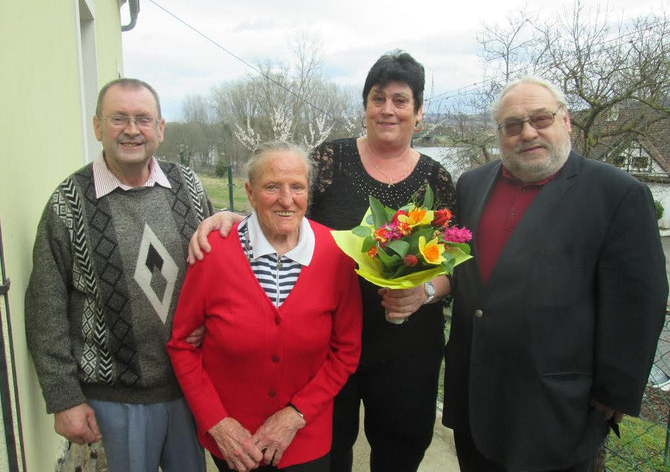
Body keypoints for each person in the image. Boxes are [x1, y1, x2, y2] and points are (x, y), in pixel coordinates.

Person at [188, 50, 456, 472]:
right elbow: (287, 208)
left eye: (401, 100)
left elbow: (452, 265)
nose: (388, 109)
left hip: (407, 347)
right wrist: (236, 218)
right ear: (365, 106)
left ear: (419, 112)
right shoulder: (331, 159)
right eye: (377, 97)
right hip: (324, 346)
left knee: (401, 452)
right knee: (331, 454)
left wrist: (423, 292)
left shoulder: (437, 178)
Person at [442, 75, 668, 472]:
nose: (527, 133)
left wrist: (615, 392)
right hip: (476, 395)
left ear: (566, 122)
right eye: (512, 125)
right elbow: (462, 270)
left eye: (540, 119)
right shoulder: (472, 184)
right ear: (499, 135)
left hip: (555, 406)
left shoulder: (616, 193)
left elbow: (639, 299)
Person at [25, 78, 212, 472]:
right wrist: (63, 399)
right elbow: (46, 309)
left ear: (160, 129)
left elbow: (219, 272)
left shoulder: (189, 186)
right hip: (111, 402)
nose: (131, 129)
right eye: (118, 119)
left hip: (190, 388)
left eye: (143, 119)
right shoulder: (69, 203)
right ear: (97, 127)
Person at [167, 141, 362, 472]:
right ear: (250, 192)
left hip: (305, 437)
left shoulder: (336, 253)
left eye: (297, 187)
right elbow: (182, 347)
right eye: (272, 186)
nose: (286, 200)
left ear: (308, 191)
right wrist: (216, 422)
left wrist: (295, 415)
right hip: (233, 441)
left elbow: (346, 351)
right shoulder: (213, 251)